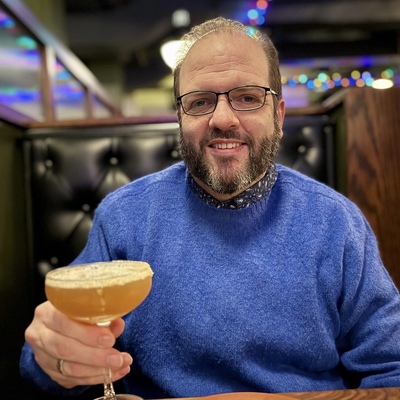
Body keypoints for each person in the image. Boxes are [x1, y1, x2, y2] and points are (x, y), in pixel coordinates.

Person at [20, 17, 400, 399]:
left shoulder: (337, 223)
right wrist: (55, 359)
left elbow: (391, 370)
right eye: (200, 102)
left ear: (279, 115)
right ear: (180, 118)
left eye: (248, 97)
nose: (222, 119)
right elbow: (47, 366)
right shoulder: (123, 218)